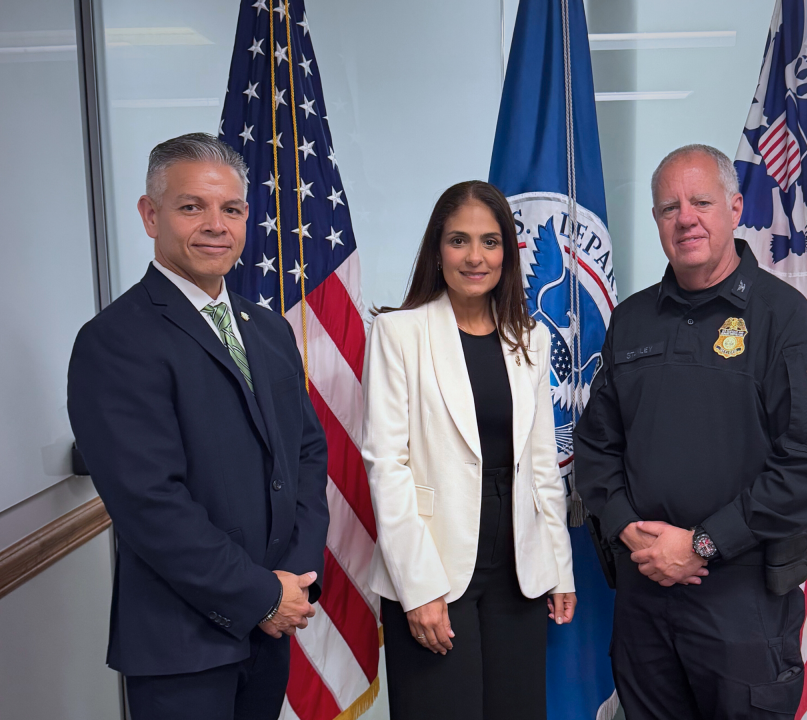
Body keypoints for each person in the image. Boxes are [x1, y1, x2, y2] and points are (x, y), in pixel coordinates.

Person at [574, 144, 807, 720]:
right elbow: (597, 447)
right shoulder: (632, 320)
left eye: (701, 201)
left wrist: (700, 542)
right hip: (644, 593)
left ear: (734, 206)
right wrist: (629, 531)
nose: (686, 218)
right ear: (656, 221)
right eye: (669, 207)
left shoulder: (785, 319)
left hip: (741, 600)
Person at [66, 132, 329, 719]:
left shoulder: (267, 328)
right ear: (149, 215)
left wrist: (295, 579)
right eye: (192, 207)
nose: (216, 224)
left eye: (231, 209)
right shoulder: (114, 341)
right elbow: (150, 503)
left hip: (270, 629)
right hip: (181, 645)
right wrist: (262, 596)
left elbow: (306, 455)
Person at [360, 180, 576, 719]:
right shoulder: (397, 333)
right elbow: (387, 467)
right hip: (435, 566)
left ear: (507, 251)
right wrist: (418, 589)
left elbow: (542, 466)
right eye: (459, 240)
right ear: (438, 249)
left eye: (490, 241)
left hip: (519, 570)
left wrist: (558, 567)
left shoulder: (530, 336)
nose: (475, 256)